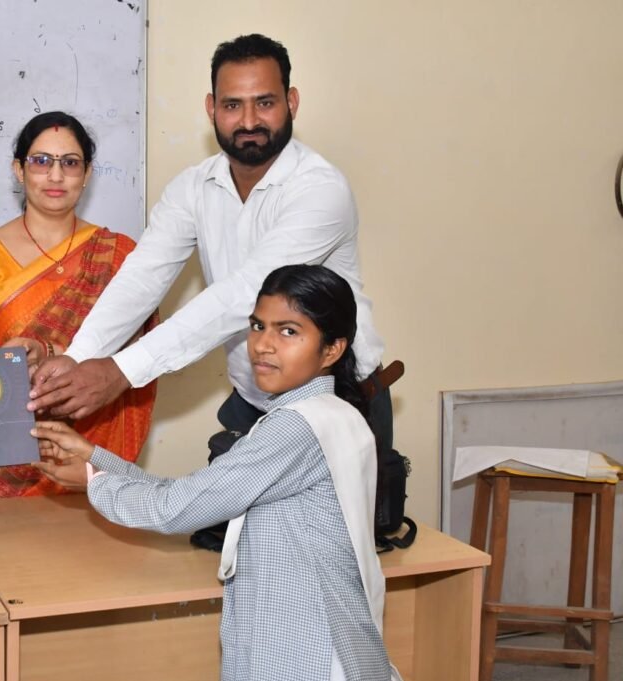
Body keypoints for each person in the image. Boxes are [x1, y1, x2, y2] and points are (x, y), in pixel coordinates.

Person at [27, 34, 390, 461]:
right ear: (211, 108)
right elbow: (144, 276)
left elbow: (247, 294)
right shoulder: (192, 188)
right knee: (213, 508)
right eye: (233, 105)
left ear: (292, 102)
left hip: (338, 402)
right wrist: (79, 356)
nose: (249, 121)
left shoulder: (321, 190)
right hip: (255, 402)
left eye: (265, 102)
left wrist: (121, 371)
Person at [33, 264, 401, 681]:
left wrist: (93, 482)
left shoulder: (296, 427)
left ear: (332, 350)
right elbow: (198, 494)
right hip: (322, 637)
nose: (263, 345)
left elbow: (176, 509)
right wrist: (95, 459)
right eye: (258, 326)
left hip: (302, 650)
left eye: (288, 331)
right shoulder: (335, 415)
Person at [0, 111, 157, 499]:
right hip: (7, 461)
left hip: (93, 456)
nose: (56, 175)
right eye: (41, 161)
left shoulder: (120, 255)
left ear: (87, 173)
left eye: (70, 163)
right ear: (19, 170)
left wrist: (52, 351)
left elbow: (137, 357)